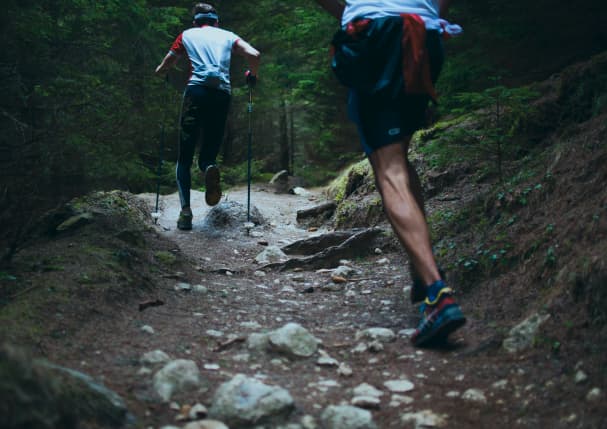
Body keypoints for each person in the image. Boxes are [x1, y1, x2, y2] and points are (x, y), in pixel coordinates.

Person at [315, 0, 465, 346]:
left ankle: (436, 292)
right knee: (399, 156)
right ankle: (422, 270)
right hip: (425, 36)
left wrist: (351, 13)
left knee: (389, 168)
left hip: (375, 37)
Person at [155, 3, 260, 230]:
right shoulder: (228, 36)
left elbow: (167, 63)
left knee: (184, 155)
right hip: (221, 94)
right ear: (216, 22)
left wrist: (161, 72)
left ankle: (185, 213)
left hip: (196, 92)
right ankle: (208, 167)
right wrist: (252, 74)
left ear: (195, 22)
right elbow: (254, 54)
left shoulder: (187, 35)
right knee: (209, 151)